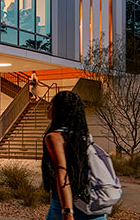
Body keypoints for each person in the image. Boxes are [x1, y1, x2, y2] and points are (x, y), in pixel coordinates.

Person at [42, 91, 104, 220]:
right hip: (91, 202)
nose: (48, 108)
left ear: (60, 110)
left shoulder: (54, 137)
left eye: (51, 105)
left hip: (65, 203)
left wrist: (67, 211)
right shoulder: (83, 136)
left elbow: (62, 175)